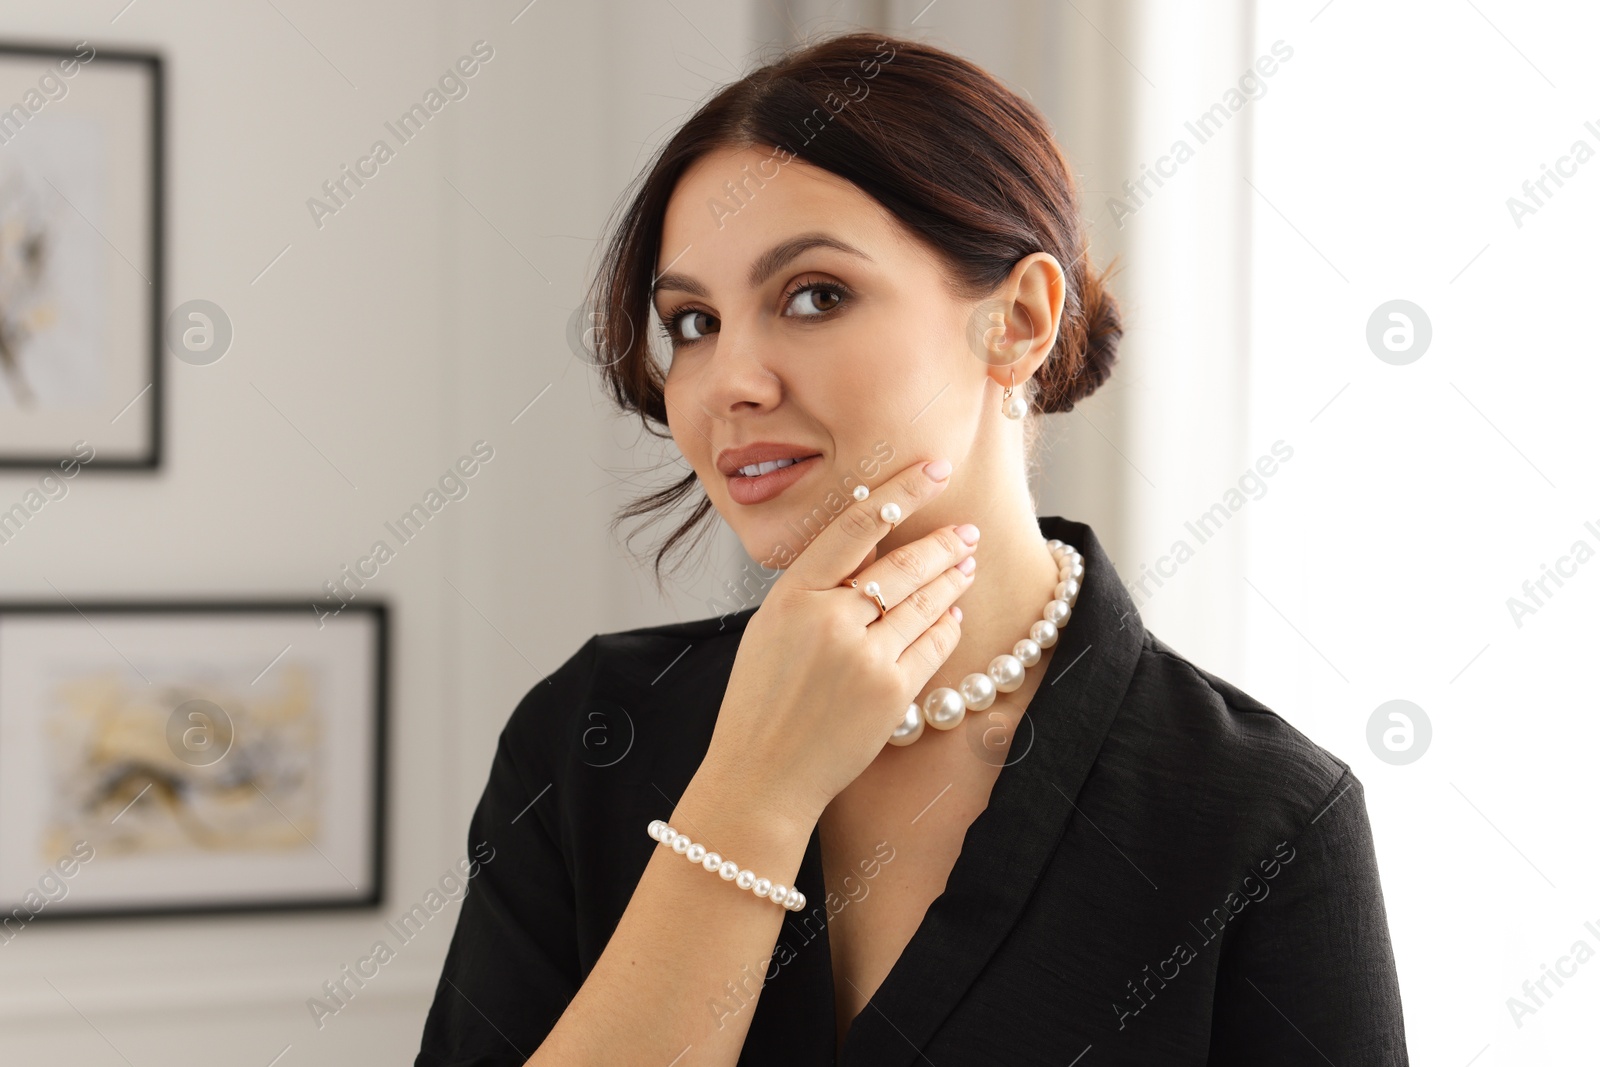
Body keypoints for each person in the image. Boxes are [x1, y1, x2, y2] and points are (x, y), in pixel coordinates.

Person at [415, 31, 1408, 1067]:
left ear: (1016, 321)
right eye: (694, 321)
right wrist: (753, 790)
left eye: (813, 295)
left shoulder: (1259, 814)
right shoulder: (587, 735)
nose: (729, 383)